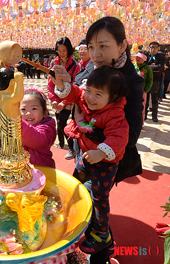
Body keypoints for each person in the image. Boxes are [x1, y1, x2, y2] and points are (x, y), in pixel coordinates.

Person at [51, 16, 144, 264]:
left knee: (96, 200)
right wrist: (63, 85)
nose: (95, 53)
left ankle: (100, 249)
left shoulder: (131, 81)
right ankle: (89, 242)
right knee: (79, 192)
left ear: (122, 45)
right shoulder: (89, 69)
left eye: (103, 46)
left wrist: (88, 129)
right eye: (91, 46)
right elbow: (78, 96)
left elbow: (131, 132)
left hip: (107, 155)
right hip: (83, 149)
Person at [51, 65, 129, 254]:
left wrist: (101, 153)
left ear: (112, 98)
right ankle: (76, 215)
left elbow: (119, 137)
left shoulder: (114, 114)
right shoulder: (87, 98)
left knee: (99, 198)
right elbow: (77, 92)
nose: (90, 98)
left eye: (98, 94)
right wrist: (62, 84)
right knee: (76, 184)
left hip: (104, 163)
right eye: (90, 91)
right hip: (86, 156)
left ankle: (101, 234)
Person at [0, 86, 56, 168]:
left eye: (34, 108)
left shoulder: (47, 127)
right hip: (18, 169)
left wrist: (15, 119)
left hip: (42, 170)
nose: (28, 113)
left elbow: (36, 139)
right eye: (23, 109)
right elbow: (3, 135)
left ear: (45, 112)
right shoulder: (17, 124)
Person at [47, 36, 81, 160]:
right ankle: (61, 145)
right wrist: (53, 99)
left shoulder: (75, 65)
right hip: (56, 97)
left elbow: (75, 85)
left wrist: (64, 101)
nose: (61, 53)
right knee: (58, 123)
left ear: (69, 50)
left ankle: (71, 148)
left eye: (64, 50)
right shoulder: (53, 63)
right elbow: (50, 83)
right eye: (59, 50)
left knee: (62, 121)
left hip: (69, 98)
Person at [146, 42, 166, 122]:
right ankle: (144, 116)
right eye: (151, 47)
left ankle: (154, 116)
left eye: (155, 47)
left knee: (155, 98)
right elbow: (143, 65)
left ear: (158, 48)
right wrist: (152, 68)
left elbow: (159, 67)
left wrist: (148, 68)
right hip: (146, 80)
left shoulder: (161, 57)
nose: (153, 49)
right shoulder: (146, 56)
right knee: (145, 99)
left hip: (156, 80)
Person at [133, 50, 153, 123]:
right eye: (137, 57)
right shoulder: (133, 66)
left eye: (139, 57)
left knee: (141, 107)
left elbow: (150, 80)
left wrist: (146, 90)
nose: (137, 58)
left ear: (144, 59)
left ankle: (140, 122)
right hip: (133, 91)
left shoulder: (148, 68)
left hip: (142, 91)